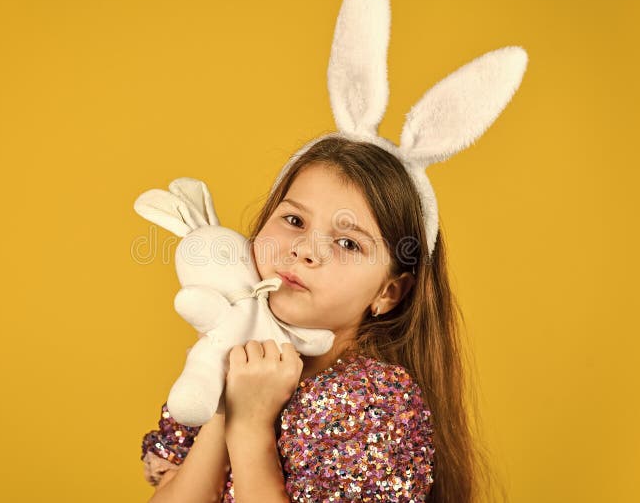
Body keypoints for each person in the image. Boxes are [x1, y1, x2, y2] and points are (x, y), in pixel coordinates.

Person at [140, 136, 502, 502]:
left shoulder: (376, 404)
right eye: (294, 220)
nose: (305, 250)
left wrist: (250, 427)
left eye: (348, 243)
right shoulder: (218, 358)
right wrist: (227, 404)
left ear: (388, 293)